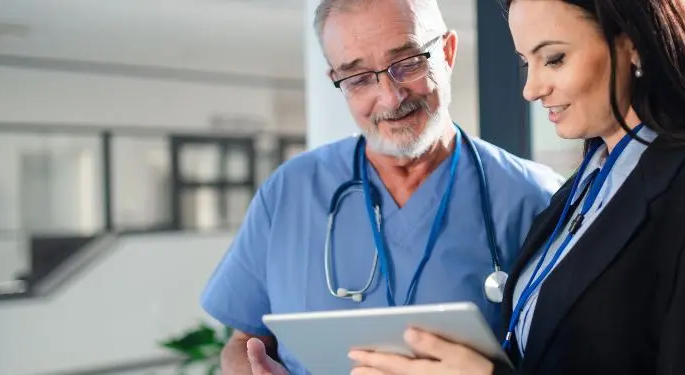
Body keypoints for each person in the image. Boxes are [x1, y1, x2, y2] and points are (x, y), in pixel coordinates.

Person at [347, 0, 685, 374]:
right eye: (526, 62)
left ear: (634, 46)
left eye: (554, 58)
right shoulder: (582, 190)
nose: (531, 89)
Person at [199, 0, 564, 374]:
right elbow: (245, 342)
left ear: (448, 52)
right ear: (338, 83)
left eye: (408, 63)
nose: (390, 98)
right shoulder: (288, 193)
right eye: (358, 79)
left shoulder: (535, 198)